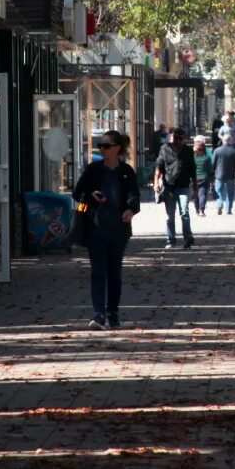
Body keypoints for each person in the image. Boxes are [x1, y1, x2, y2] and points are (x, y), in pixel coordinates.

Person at [72, 130, 141, 330]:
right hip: (96, 228)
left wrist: (129, 210)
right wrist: (90, 196)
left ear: (117, 148)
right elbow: (77, 194)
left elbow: (134, 196)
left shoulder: (126, 171)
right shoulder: (93, 170)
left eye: (105, 146)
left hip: (119, 229)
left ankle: (113, 311)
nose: (101, 149)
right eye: (99, 146)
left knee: (114, 273)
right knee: (98, 271)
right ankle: (99, 314)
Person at [153, 127, 197, 249]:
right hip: (169, 186)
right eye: (175, 138)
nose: (177, 141)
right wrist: (156, 183)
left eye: (180, 138)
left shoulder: (188, 151)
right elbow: (159, 166)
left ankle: (188, 238)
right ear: (172, 138)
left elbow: (192, 169)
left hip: (184, 186)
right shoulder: (165, 148)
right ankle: (171, 239)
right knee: (170, 216)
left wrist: (195, 188)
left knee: (185, 212)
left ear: (184, 139)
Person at [211, 132, 235, 214]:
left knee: (218, 191)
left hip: (219, 175)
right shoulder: (234, 151)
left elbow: (213, 163)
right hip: (231, 175)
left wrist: (211, 175)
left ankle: (220, 203)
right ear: (231, 141)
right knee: (230, 193)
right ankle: (228, 209)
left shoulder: (217, 151)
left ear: (222, 140)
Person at [192, 135, 213, 217]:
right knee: (203, 194)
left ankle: (197, 210)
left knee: (196, 195)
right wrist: (211, 177)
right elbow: (210, 169)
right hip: (204, 178)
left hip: (194, 179)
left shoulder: (192, 157)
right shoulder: (207, 157)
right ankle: (202, 210)